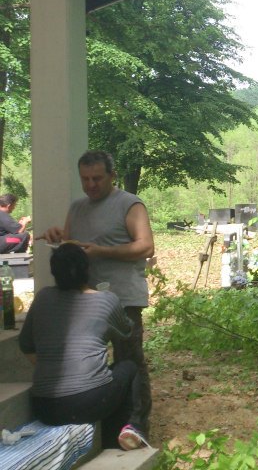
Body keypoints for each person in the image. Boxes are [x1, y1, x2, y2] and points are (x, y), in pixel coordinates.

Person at [44, 150, 154, 446]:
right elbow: (72, 246)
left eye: (97, 178)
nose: (90, 185)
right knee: (89, 362)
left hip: (123, 299)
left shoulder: (129, 204)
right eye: (85, 179)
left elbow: (146, 247)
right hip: (84, 301)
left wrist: (102, 251)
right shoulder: (77, 207)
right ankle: (104, 422)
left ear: (112, 176)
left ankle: (137, 426)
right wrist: (58, 237)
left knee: (129, 360)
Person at [19, 243, 145, 450]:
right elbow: (127, 331)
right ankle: (131, 429)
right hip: (89, 402)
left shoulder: (42, 297)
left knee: (104, 381)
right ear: (87, 269)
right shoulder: (106, 300)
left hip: (44, 407)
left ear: (54, 272)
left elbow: (26, 345)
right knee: (128, 368)